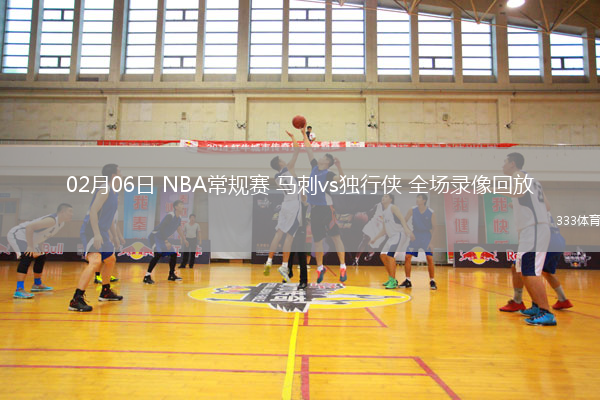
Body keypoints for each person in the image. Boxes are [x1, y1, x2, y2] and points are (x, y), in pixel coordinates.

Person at [500, 152, 555, 326]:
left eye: (505, 162)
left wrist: (493, 189)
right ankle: (537, 306)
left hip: (534, 228)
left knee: (530, 270)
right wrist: (517, 204)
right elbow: (546, 206)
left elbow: (518, 191)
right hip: (532, 228)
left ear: (512, 164)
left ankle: (546, 312)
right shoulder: (533, 180)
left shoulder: (518, 175)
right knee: (522, 269)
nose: (503, 165)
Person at [69, 164, 123, 312]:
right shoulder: (105, 189)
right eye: (119, 172)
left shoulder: (114, 193)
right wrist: (97, 233)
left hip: (102, 231)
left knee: (110, 259)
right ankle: (76, 299)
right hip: (92, 230)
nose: (121, 174)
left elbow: (109, 218)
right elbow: (93, 211)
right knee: (95, 261)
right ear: (114, 175)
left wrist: (114, 236)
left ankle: (105, 291)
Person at [501, 212, 573, 314]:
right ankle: (563, 299)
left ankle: (521, 302)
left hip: (546, 241)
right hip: (558, 240)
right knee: (546, 271)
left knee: (520, 267)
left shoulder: (529, 208)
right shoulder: (541, 208)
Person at [302, 125, 347, 283]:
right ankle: (320, 268)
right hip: (314, 210)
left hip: (327, 209)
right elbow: (308, 149)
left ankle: (343, 266)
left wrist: (339, 166)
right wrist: (303, 134)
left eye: (323, 158)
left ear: (327, 162)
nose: (320, 158)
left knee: (335, 237)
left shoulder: (328, 173)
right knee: (317, 241)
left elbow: (341, 181)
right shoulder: (314, 167)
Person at [9, 203, 73, 299]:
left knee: (41, 256)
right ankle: (19, 289)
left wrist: (41, 248)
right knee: (27, 256)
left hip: (30, 238)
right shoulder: (51, 220)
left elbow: (43, 235)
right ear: (62, 212)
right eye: (70, 212)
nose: (72, 214)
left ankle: (37, 284)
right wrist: (30, 247)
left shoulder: (61, 223)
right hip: (18, 235)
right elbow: (29, 227)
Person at [264, 131, 301, 280]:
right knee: (290, 236)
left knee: (278, 233)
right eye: (281, 159)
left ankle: (269, 260)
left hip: (285, 204)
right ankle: (284, 266)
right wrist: (293, 137)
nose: (284, 160)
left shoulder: (276, 177)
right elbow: (297, 150)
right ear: (280, 163)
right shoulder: (289, 168)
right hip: (293, 205)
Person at [368, 194, 413, 289]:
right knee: (383, 255)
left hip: (399, 234)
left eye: (386, 197)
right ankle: (392, 278)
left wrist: (406, 229)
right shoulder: (384, 212)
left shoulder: (393, 207)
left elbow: (402, 219)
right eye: (383, 196)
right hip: (392, 237)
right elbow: (384, 230)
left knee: (390, 256)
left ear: (391, 199)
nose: (383, 198)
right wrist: (375, 238)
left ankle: (393, 281)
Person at [399, 194, 438, 290]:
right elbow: (403, 221)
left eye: (419, 198)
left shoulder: (431, 212)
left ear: (424, 200)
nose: (417, 199)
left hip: (426, 236)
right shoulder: (412, 210)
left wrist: (432, 242)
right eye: (417, 197)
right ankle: (408, 280)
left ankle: (432, 280)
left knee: (429, 258)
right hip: (415, 236)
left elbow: (435, 228)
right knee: (407, 257)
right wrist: (409, 232)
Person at [143, 200, 187, 284]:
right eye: (181, 204)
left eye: (183, 204)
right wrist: (166, 241)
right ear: (176, 207)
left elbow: (178, 228)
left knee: (173, 254)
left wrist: (183, 238)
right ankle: (146, 276)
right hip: (155, 237)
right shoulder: (170, 215)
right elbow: (162, 228)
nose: (183, 206)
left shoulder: (179, 218)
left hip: (162, 238)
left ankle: (171, 275)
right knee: (158, 254)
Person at [353, 199, 385, 266]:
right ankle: (356, 259)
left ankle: (371, 253)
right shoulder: (378, 205)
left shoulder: (392, 210)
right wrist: (363, 214)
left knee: (372, 244)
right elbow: (369, 213)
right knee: (364, 240)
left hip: (381, 229)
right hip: (372, 224)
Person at [94, 211, 123, 284]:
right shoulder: (106, 209)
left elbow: (116, 225)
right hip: (104, 236)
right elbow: (106, 224)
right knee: (101, 257)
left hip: (110, 236)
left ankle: (107, 275)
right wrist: (110, 235)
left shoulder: (115, 211)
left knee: (109, 259)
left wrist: (119, 236)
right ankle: (97, 276)